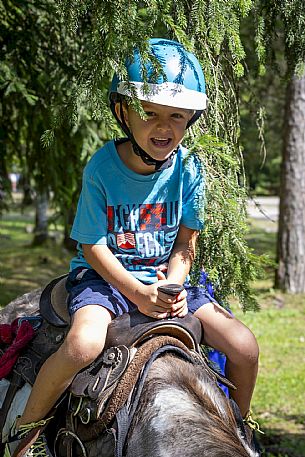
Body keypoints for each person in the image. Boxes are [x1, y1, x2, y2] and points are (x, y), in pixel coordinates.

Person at [10, 38, 260, 455]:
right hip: (104, 277)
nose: (164, 127)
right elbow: (91, 246)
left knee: (244, 346)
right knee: (82, 345)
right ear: (123, 111)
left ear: (190, 120)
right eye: (150, 112)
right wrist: (136, 293)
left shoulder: (191, 170)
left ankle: (237, 433)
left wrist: (173, 288)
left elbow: (185, 243)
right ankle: (26, 434)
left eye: (176, 117)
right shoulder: (103, 167)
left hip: (162, 280)